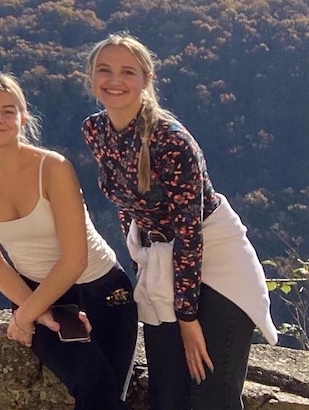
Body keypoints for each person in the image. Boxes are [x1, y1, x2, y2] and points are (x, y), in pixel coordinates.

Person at [82, 32, 279, 410]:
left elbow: (189, 233)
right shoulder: (96, 130)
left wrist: (187, 319)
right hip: (163, 262)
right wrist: (142, 257)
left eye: (127, 71)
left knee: (211, 395)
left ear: (146, 79)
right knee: (167, 396)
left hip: (217, 262)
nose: (114, 80)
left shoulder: (172, 141)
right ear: (91, 77)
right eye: (104, 70)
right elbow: (126, 202)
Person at [0, 71, 138, 410]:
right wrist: (37, 311)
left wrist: (25, 317)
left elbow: (74, 260)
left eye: (9, 110)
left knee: (104, 392)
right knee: (92, 384)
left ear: (23, 117)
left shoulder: (52, 167)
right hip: (33, 292)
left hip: (103, 290)